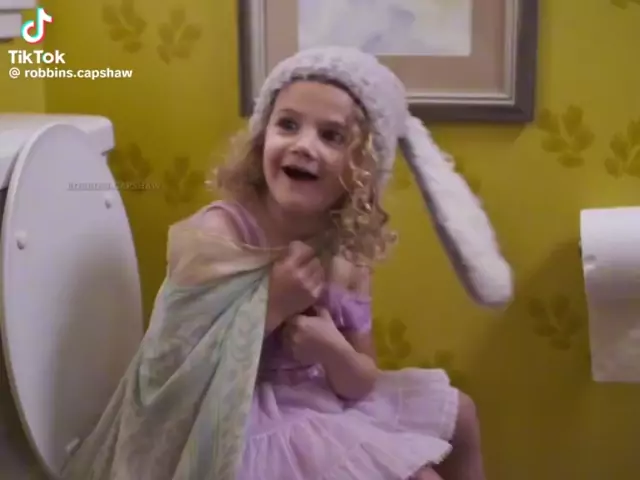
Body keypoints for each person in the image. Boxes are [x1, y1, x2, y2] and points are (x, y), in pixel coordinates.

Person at [189, 46, 513, 479]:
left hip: (325, 399)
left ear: (362, 168)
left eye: (332, 136)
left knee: (463, 414)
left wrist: (332, 350)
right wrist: (273, 306)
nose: (304, 145)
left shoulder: (347, 257)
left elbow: (363, 381)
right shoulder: (224, 234)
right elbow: (183, 371)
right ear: (262, 135)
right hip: (241, 418)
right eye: (288, 124)